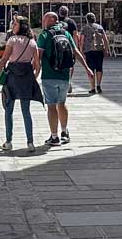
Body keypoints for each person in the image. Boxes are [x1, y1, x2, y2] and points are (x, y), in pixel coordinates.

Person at [36, 11, 93, 146]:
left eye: (44, 19)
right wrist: (87, 68)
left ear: (50, 20)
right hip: (65, 75)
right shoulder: (66, 34)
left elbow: (38, 57)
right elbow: (76, 52)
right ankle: (64, 132)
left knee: (51, 106)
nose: (43, 22)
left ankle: (54, 137)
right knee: (61, 103)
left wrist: (35, 72)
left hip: (49, 75)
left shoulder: (44, 35)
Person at [0, 16, 42, 152]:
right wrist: (34, 77)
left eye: (15, 23)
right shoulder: (32, 41)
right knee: (26, 111)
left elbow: (4, 59)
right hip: (26, 77)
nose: (13, 25)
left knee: (8, 110)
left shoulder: (12, 40)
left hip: (12, 77)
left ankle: (9, 141)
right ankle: (30, 142)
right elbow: (37, 64)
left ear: (21, 26)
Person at [81, 12, 108, 95]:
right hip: (99, 50)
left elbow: (82, 40)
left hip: (89, 50)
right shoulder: (99, 27)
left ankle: (92, 88)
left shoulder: (84, 28)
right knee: (99, 68)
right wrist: (106, 49)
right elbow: (105, 39)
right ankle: (99, 85)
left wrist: (81, 50)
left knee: (91, 69)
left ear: (87, 19)